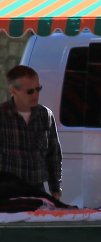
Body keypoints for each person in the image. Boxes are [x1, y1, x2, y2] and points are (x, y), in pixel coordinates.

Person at [1, 65, 63, 200]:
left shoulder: (45, 115)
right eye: (30, 91)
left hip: (37, 188)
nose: (35, 94)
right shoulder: (2, 115)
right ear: (13, 91)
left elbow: (54, 154)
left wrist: (55, 189)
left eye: (38, 89)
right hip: (8, 190)